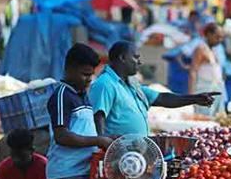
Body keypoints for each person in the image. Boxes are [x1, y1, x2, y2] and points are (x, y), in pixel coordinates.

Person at [90, 41, 218, 137]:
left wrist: (196, 98)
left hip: (135, 152)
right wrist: (103, 146)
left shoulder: (131, 83)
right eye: (135, 57)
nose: (139, 62)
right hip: (118, 154)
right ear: (122, 58)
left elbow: (162, 98)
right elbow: (98, 118)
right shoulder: (105, 84)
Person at [46, 43, 113, 179]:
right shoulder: (62, 95)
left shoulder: (82, 95)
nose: (89, 79)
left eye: (91, 74)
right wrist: (99, 140)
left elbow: (84, 131)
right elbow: (61, 136)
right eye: (85, 74)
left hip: (83, 169)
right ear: (69, 69)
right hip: (67, 172)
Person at [188, 23, 226, 115]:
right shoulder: (201, 49)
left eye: (221, 38)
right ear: (208, 34)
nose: (219, 40)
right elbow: (193, 71)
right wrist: (191, 97)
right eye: (217, 37)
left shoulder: (213, 50)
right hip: (204, 91)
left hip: (216, 89)